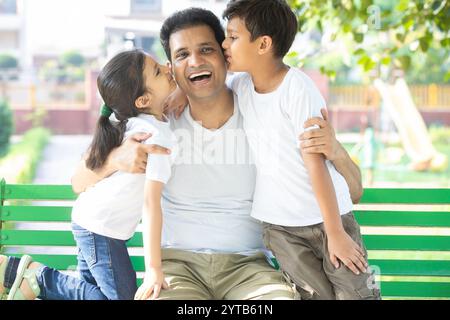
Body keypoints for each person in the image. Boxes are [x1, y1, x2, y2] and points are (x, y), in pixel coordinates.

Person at [71, 8, 364, 300]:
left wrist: (335, 149)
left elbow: (354, 190)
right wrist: (115, 159)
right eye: (182, 55)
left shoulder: (259, 103)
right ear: (171, 68)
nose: (195, 61)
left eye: (207, 49)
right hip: (178, 269)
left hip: (249, 269)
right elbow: (78, 182)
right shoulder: (155, 121)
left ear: (225, 53)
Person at [221, 0, 380, 300]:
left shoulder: (297, 88)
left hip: (328, 221)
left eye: (232, 36)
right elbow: (208, 86)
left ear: (263, 44)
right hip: (281, 229)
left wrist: (334, 233)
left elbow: (316, 165)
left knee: (356, 295)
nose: (224, 44)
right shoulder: (241, 85)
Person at [0, 49, 177, 300]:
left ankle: (33, 278)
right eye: (158, 71)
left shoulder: (138, 123)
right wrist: (154, 269)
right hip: (100, 230)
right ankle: (37, 277)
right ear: (142, 100)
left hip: (96, 225)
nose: (168, 67)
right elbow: (151, 203)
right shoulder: (154, 137)